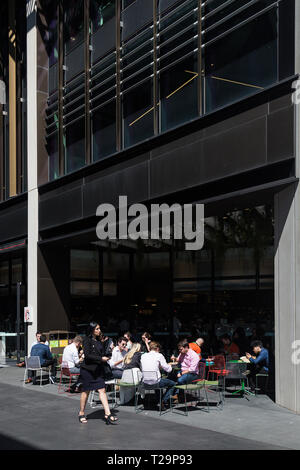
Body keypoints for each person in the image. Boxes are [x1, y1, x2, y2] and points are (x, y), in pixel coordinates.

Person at [79, 322, 118, 425]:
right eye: (97, 329)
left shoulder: (99, 341)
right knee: (86, 391)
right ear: (92, 330)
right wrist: (101, 358)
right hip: (87, 370)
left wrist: (110, 351)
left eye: (99, 328)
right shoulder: (86, 340)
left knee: (102, 390)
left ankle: (108, 413)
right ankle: (81, 412)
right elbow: (87, 355)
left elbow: (102, 354)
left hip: (97, 370)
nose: (99, 330)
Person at [140, 341, 176, 410]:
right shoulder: (159, 355)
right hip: (156, 383)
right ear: (157, 348)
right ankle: (163, 400)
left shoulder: (143, 356)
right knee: (173, 384)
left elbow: (143, 368)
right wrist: (170, 365)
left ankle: (159, 401)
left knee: (157, 379)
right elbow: (168, 370)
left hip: (144, 383)